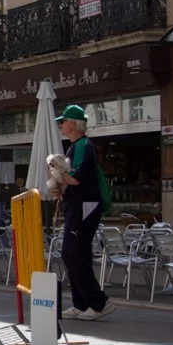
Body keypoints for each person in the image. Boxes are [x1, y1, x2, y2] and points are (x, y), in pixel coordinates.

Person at [52, 104, 115, 321]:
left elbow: (75, 178)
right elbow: (70, 181)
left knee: (73, 252)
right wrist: (58, 185)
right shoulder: (74, 147)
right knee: (76, 253)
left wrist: (57, 170)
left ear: (74, 124)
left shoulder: (83, 146)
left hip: (85, 205)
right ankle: (81, 304)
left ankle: (99, 302)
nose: (60, 125)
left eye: (63, 121)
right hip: (77, 204)